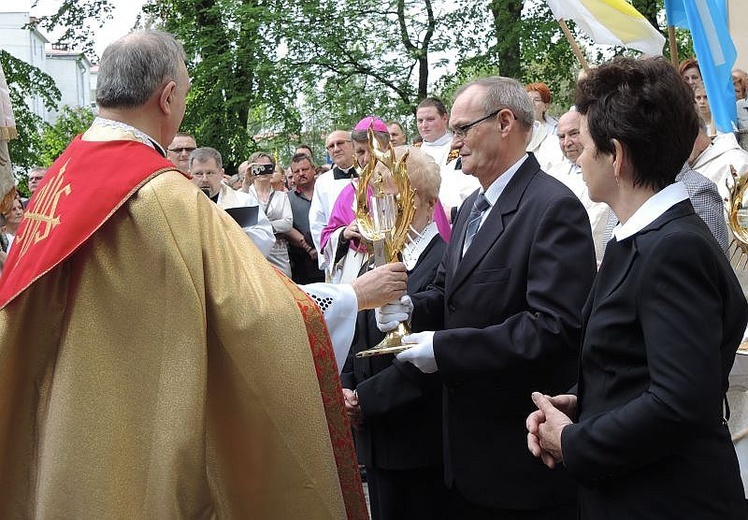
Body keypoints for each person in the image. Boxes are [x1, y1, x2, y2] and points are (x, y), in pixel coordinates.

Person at [0, 30, 374, 518]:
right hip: (135, 433)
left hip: (66, 431)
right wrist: (349, 296)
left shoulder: (61, 177)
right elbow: (253, 316)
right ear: (168, 95)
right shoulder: (161, 195)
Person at [527, 57, 748, 520]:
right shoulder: (642, 237)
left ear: (618, 155)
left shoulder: (673, 248)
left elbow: (679, 403)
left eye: (585, 144)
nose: (578, 156)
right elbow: (638, 363)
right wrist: (581, 402)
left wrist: (572, 440)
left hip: (670, 500)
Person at [390, 75, 596, 518]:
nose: (454, 141)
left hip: (521, 459)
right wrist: (409, 307)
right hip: (465, 455)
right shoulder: (469, 209)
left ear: (505, 122)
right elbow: (447, 292)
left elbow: (553, 327)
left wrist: (444, 348)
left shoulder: (552, 208)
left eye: (463, 129)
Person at [341, 146, 448, 520]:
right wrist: (346, 387)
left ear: (419, 200)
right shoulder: (381, 258)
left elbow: (432, 352)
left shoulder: (443, 261)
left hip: (417, 439)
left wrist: (364, 399)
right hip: (375, 436)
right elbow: (358, 330)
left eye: (387, 195)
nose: (376, 207)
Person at [189, 146, 276, 258]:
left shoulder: (243, 201)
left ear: (221, 173)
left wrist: (234, 233)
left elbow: (266, 237)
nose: (204, 179)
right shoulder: (182, 205)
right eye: (199, 174)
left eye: (210, 173)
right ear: (190, 174)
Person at [415, 97, 479, 220]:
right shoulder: (411, 152)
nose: (424, 125)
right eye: (420, 120)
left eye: (430, 119)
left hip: (454, 218)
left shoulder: (461, 146)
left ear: (445, 118)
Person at [309, 129, 357, 271]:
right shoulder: (322, 182)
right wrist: (332, 250)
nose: (336, 149)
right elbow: (317, 223)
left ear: (353, 145)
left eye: (340, 143)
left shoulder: (370, 174)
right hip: (338, 252)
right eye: (331, 146)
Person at [246, 151, 293, 276]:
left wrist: (261, 226)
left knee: (285, 288)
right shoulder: (243, 194)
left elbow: (288, 223)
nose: (262, 171)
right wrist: (246, 182)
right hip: (252, 250)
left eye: (267, 167)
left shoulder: (281, 196)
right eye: (258, 167)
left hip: (278, 250)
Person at [286, 152, 325, 284]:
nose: (301, 173)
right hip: (302, 262)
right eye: (297, 171)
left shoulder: (326, 191)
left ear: (313, 169)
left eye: (305, 169)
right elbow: (287, 228)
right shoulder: (287, 199)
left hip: (330, 255)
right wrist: (307, 246)